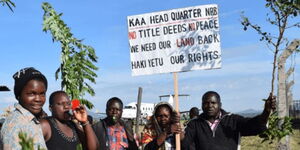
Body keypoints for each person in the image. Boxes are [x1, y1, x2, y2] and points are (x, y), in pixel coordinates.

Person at [182, 91, 276, 150]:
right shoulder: (194, 124)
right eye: (206, 103)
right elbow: (185, 144)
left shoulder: (233, 120)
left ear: (220, 104)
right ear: (202, 106)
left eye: (213, 103)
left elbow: (253, 125)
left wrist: (266, 112)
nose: (210, 105)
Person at [0, 67, 48, 149]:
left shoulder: (31, 120)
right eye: (31, 94)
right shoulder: (15, 126)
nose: (38, 99)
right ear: (19, 95)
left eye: (42, 94)